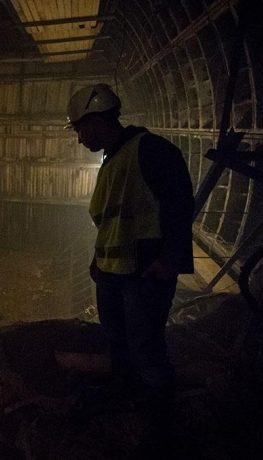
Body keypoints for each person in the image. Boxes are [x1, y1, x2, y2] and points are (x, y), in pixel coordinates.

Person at [65, 83, 195, 453]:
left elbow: (179, 202)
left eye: (79, 128)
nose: (78, 138)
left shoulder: (149, 150)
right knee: (118, 343)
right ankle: (124, 394)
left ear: (97, 120)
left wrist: (171, 259)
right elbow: (112, 221)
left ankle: (160, 430)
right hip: (112, 274)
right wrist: (98, 260)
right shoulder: (113, 159)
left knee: (147, 349)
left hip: (142, 275)